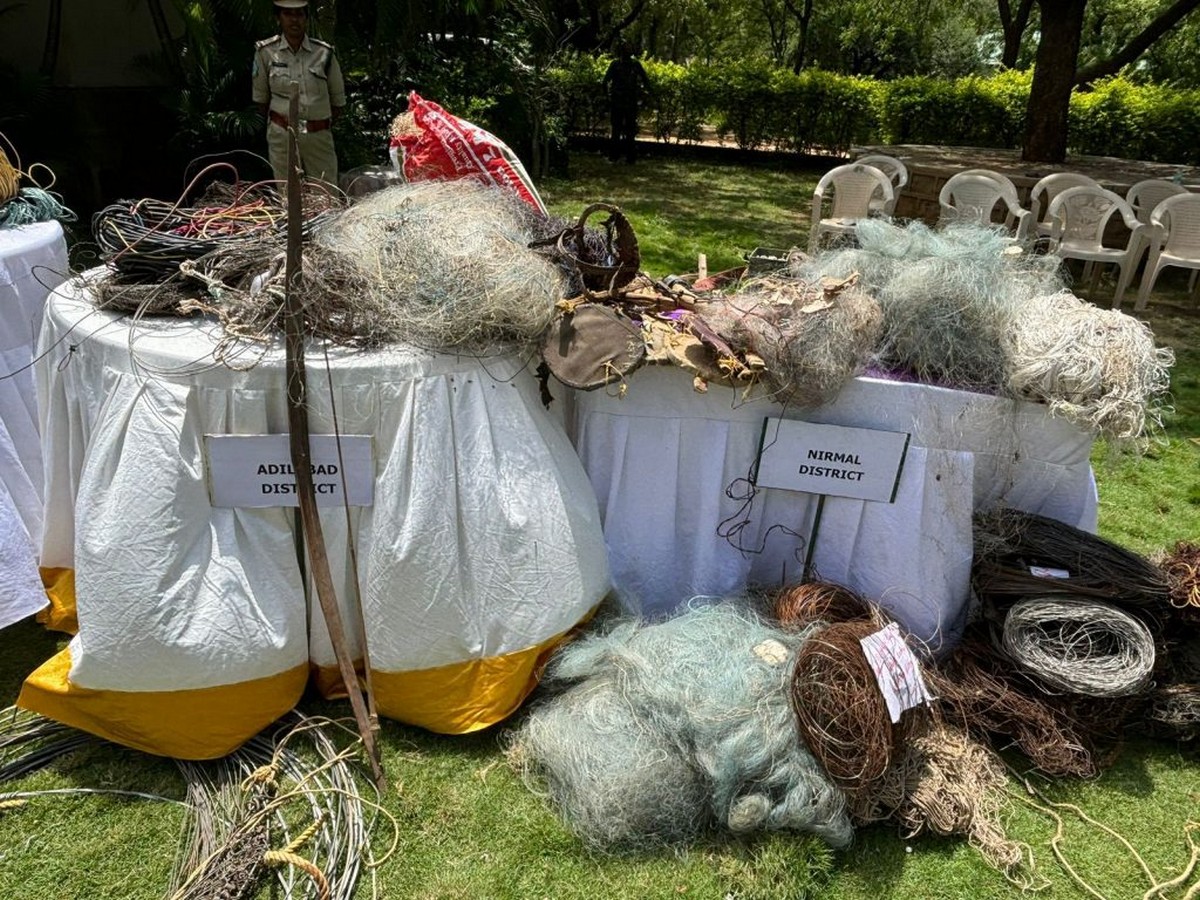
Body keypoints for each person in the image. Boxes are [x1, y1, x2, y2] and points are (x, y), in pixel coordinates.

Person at [251, 0, 345, 188]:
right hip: (282, 136)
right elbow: (261, 101)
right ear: (278, 18)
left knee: (326, 194)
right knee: (288, 196)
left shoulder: (324, 53)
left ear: (307, 18)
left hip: (318, 136)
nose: (294, 20)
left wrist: (313, 123)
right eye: (288, 14)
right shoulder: (266, 53)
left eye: (299, 14)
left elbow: (338, 103)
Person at [602, 41, 650, 164]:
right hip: (624, 101)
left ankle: (620, 156)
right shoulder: (626, 65)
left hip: (624, 101)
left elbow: (604, 82)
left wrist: (608, 96)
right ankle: (625, 157)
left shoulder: (628, 64)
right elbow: (646, 82)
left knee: (622, 130)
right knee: (625, 130)